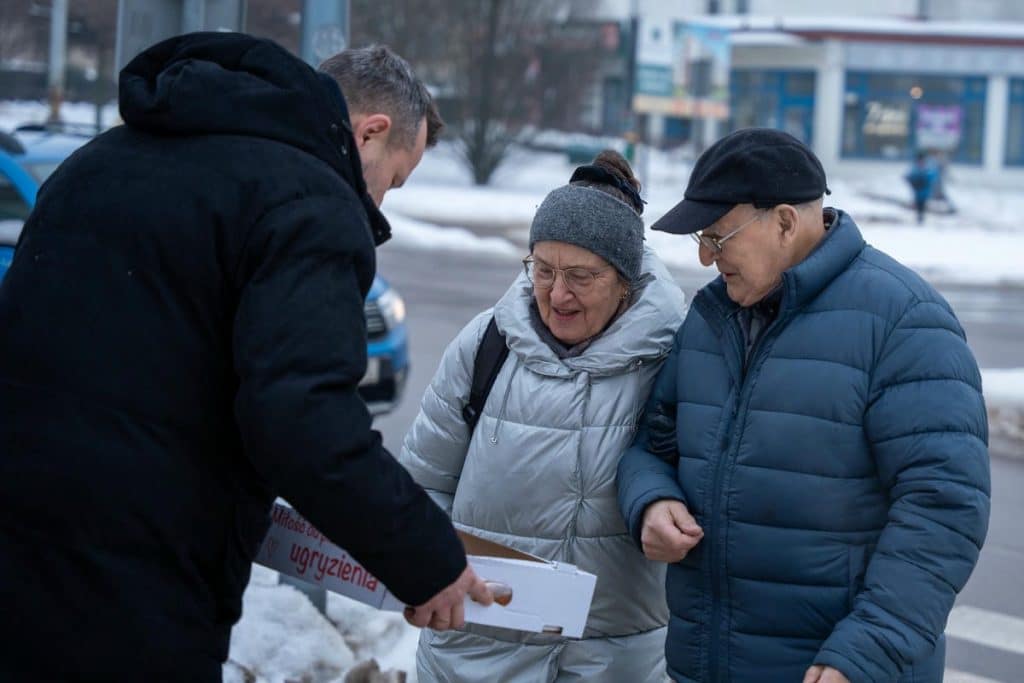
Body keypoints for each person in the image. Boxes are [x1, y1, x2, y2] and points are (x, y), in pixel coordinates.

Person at [0, 32, 491, 681]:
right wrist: (429, 560)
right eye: (392, 182)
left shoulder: (97, 163)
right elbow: (304, 421)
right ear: (370, 132)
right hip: (140, 583)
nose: (378, 204)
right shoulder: (308, 203)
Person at [617, 128, 990, 683]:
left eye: (717, 238)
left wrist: (867, 653)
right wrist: (651, 500)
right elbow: (653, 443)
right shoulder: (712, 318)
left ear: (786, 222)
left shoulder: (904, 321)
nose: (703, 257)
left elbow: (943, 511)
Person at [398, 151, 686, 682]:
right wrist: (423, 575)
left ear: (626, 280)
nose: (557, 294)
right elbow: (423, 485)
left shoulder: (675, 357)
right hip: (475, 655)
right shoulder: (486, 345)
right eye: (543, 270)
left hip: (614, 661)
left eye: (580, 275)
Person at [905, 150, 938, 224]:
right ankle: (919, 217)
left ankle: (921, 217)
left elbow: (932, 176)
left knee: (922, 203)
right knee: (918, 202)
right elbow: (910, 175)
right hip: (917, 188)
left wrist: (925, 178)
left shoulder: (928, 167)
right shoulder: (915, 167)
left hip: (924, 188)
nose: (920, 161)